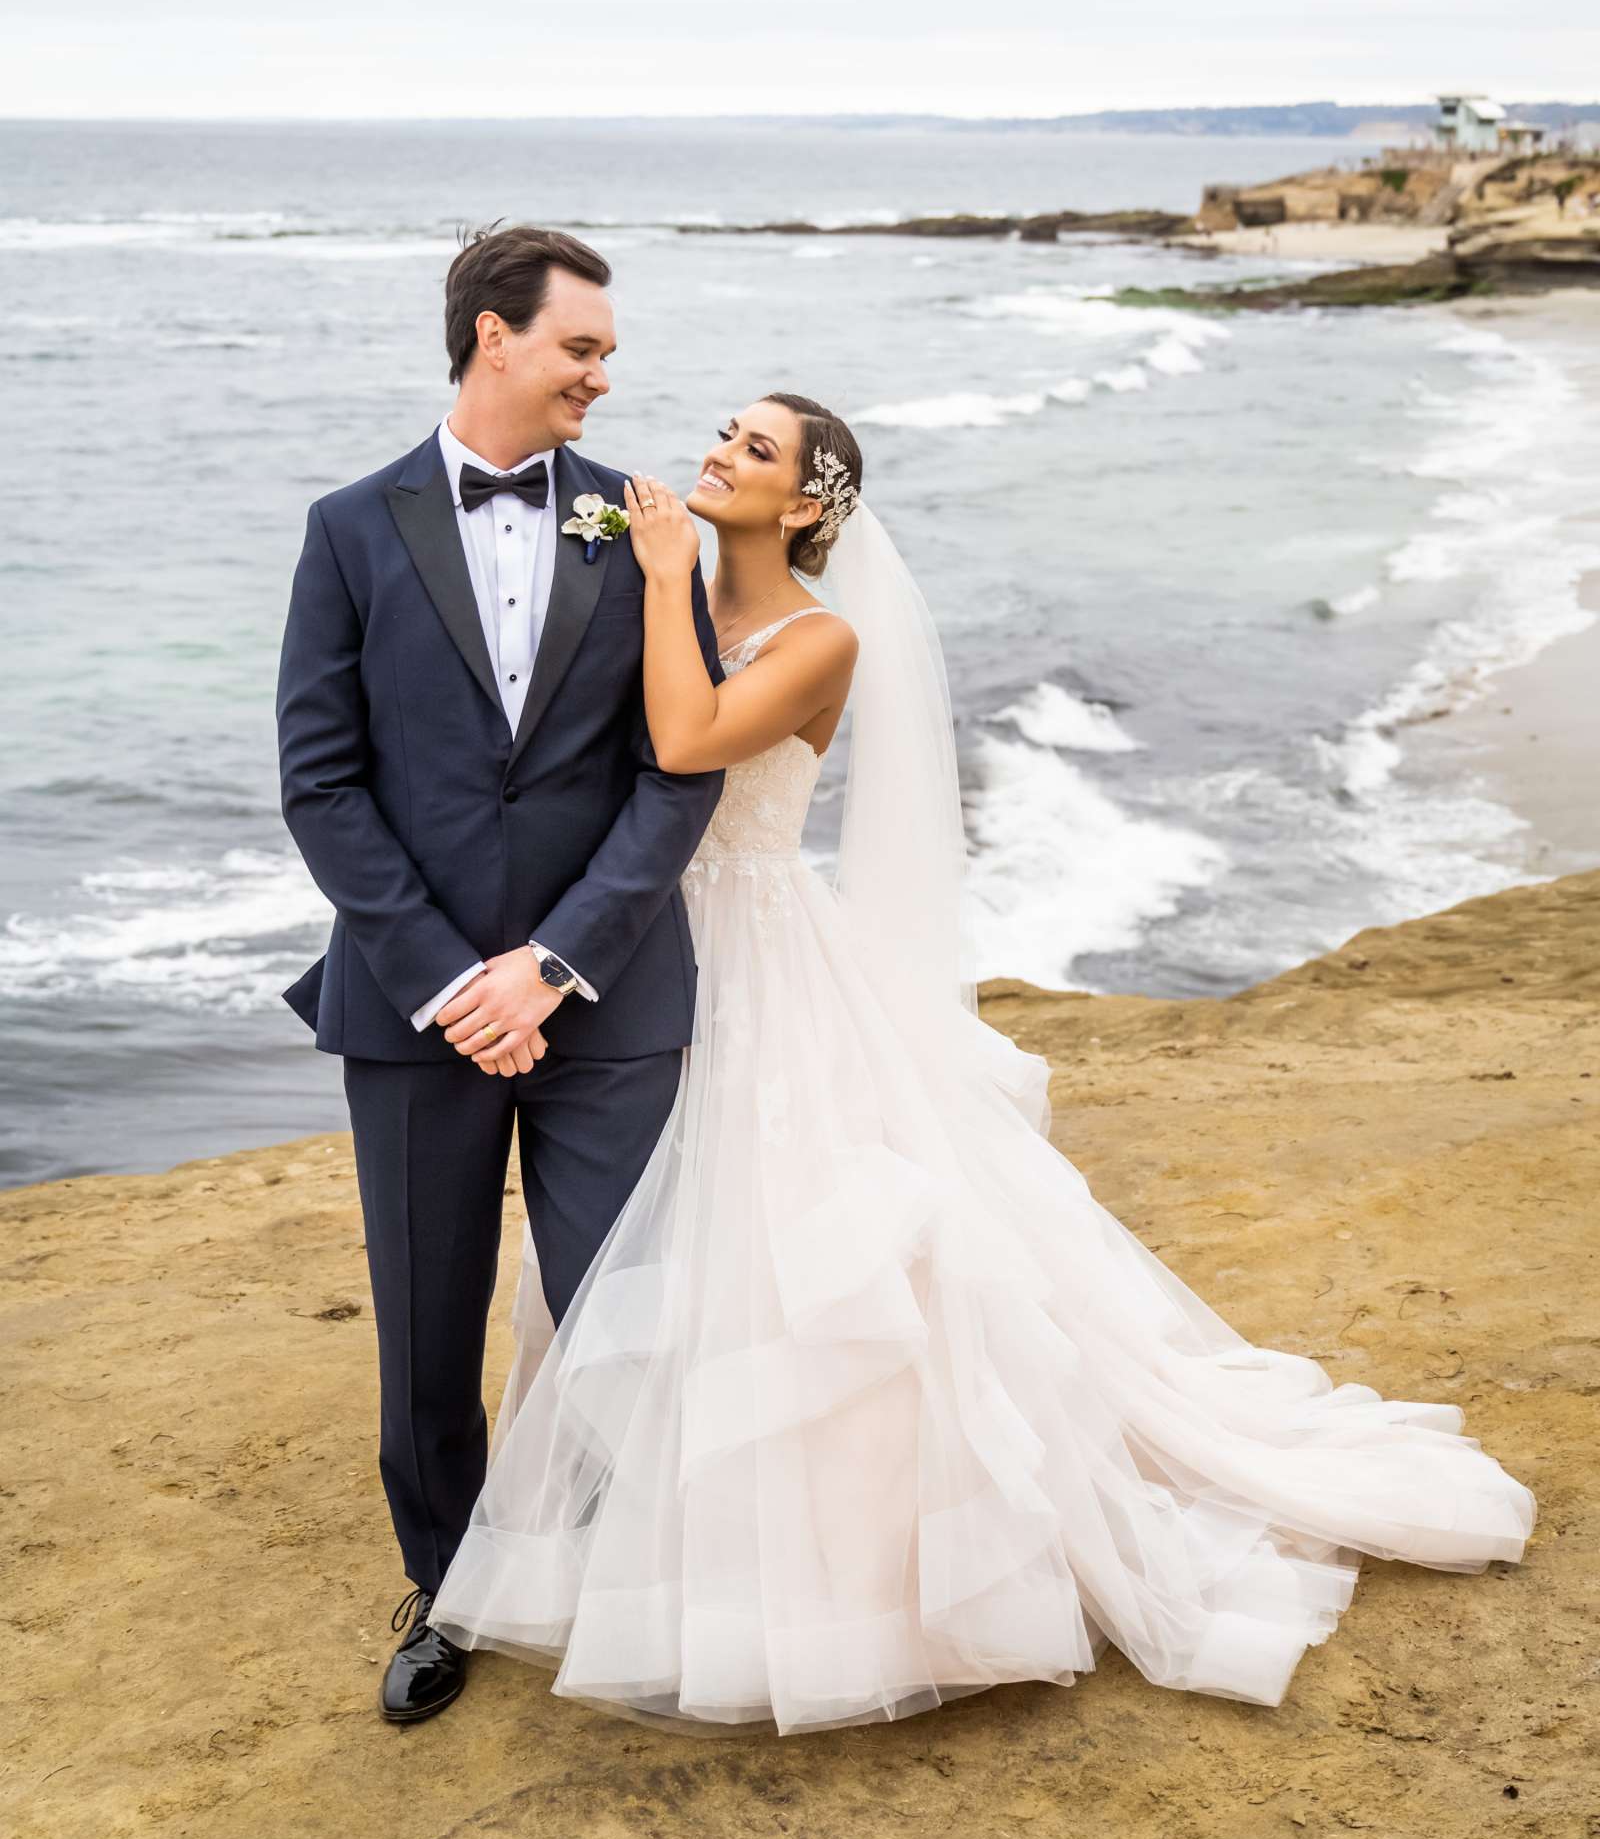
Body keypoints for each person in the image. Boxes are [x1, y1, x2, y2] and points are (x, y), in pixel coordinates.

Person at [428, 395, 1536, 1734]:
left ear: (807, 511)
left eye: (759, 450)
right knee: (623, 1232)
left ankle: (821, 1572)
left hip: (764, 962)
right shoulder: (667, 600)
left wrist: (661, 574)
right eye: (726, 430)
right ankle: (630, 1509)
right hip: (645, 957)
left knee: (793, 1257)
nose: (719, 451)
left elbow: (683, 746)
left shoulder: (818, 638)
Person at [275, 224, 724, 1725]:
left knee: (620, 1309)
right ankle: (448, 1590)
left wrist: (552, 965)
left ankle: (604, 1578)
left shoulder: (643, 527)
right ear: (492, 338)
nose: (608, 371)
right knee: (427, 1321)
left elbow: (682, 769)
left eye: (605, 349)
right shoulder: (349, 529)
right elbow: (322, 784)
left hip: (609, 1000)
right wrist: (451, 981)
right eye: (583, 346)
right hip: (416, 1017)